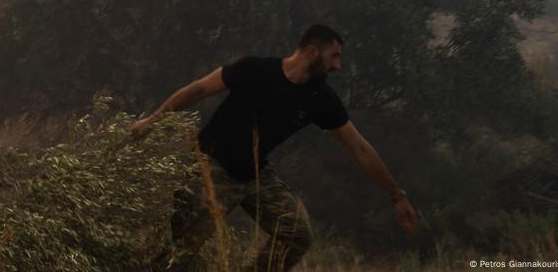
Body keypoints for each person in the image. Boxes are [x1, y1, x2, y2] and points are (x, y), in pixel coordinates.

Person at [130, 24, 420, 270]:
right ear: (312, 52)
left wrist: (396, 195)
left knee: (297, 235)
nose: (337, 66)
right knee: (179, 255)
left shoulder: (321, 98)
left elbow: (360, 149)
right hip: (212, 167)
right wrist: (152, 120)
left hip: (256, 176)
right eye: (334, 57)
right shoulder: (254, 69)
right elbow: (199, 89)